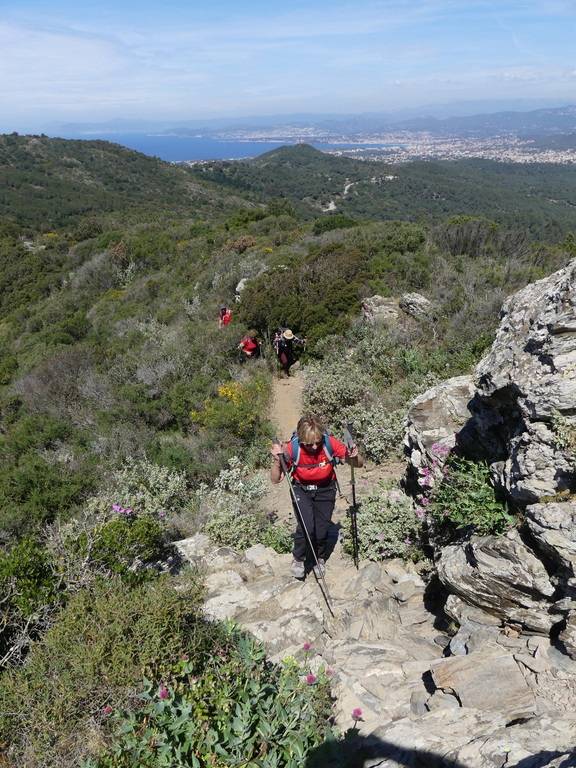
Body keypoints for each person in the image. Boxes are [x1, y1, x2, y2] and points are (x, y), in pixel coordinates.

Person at [270, 413, 362, 579]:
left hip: (326, 489)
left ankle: (319, 558)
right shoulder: (292, 448)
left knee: (321, 528)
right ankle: (298, 558)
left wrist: (353, 456)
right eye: (308, 444)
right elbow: (275, 479)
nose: (313, 447)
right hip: (301, 489)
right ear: (300, 439)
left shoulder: (329, 443)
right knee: (306, 525)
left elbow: (358, 464)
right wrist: (278, 460)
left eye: (317, 442)